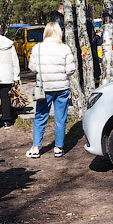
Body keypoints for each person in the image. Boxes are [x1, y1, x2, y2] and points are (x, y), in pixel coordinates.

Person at [26, 21, 75, 158]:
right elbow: (70, 69)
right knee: (61, 118)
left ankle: (36, 148)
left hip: (44, 87)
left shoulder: (38, 48)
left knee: (40, 116)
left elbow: (32, 68)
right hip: (62, 88)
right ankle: (58, 147)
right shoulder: (65, 48)